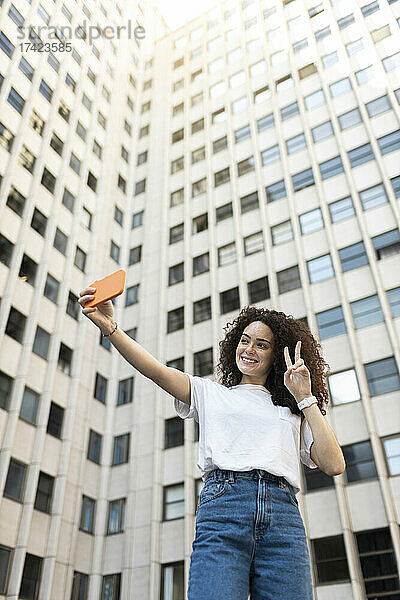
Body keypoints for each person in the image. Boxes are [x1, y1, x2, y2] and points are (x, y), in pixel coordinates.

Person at [78, 290, 345, 600]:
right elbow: (155, 370)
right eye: (245, 340)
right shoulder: (210, 394)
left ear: (275, 355)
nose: (249, 349)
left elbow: (334, 464)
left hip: (282, 516)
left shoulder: (291, 411)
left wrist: (305, 397)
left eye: (262, 344)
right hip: (224, 507)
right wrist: (110, 327)